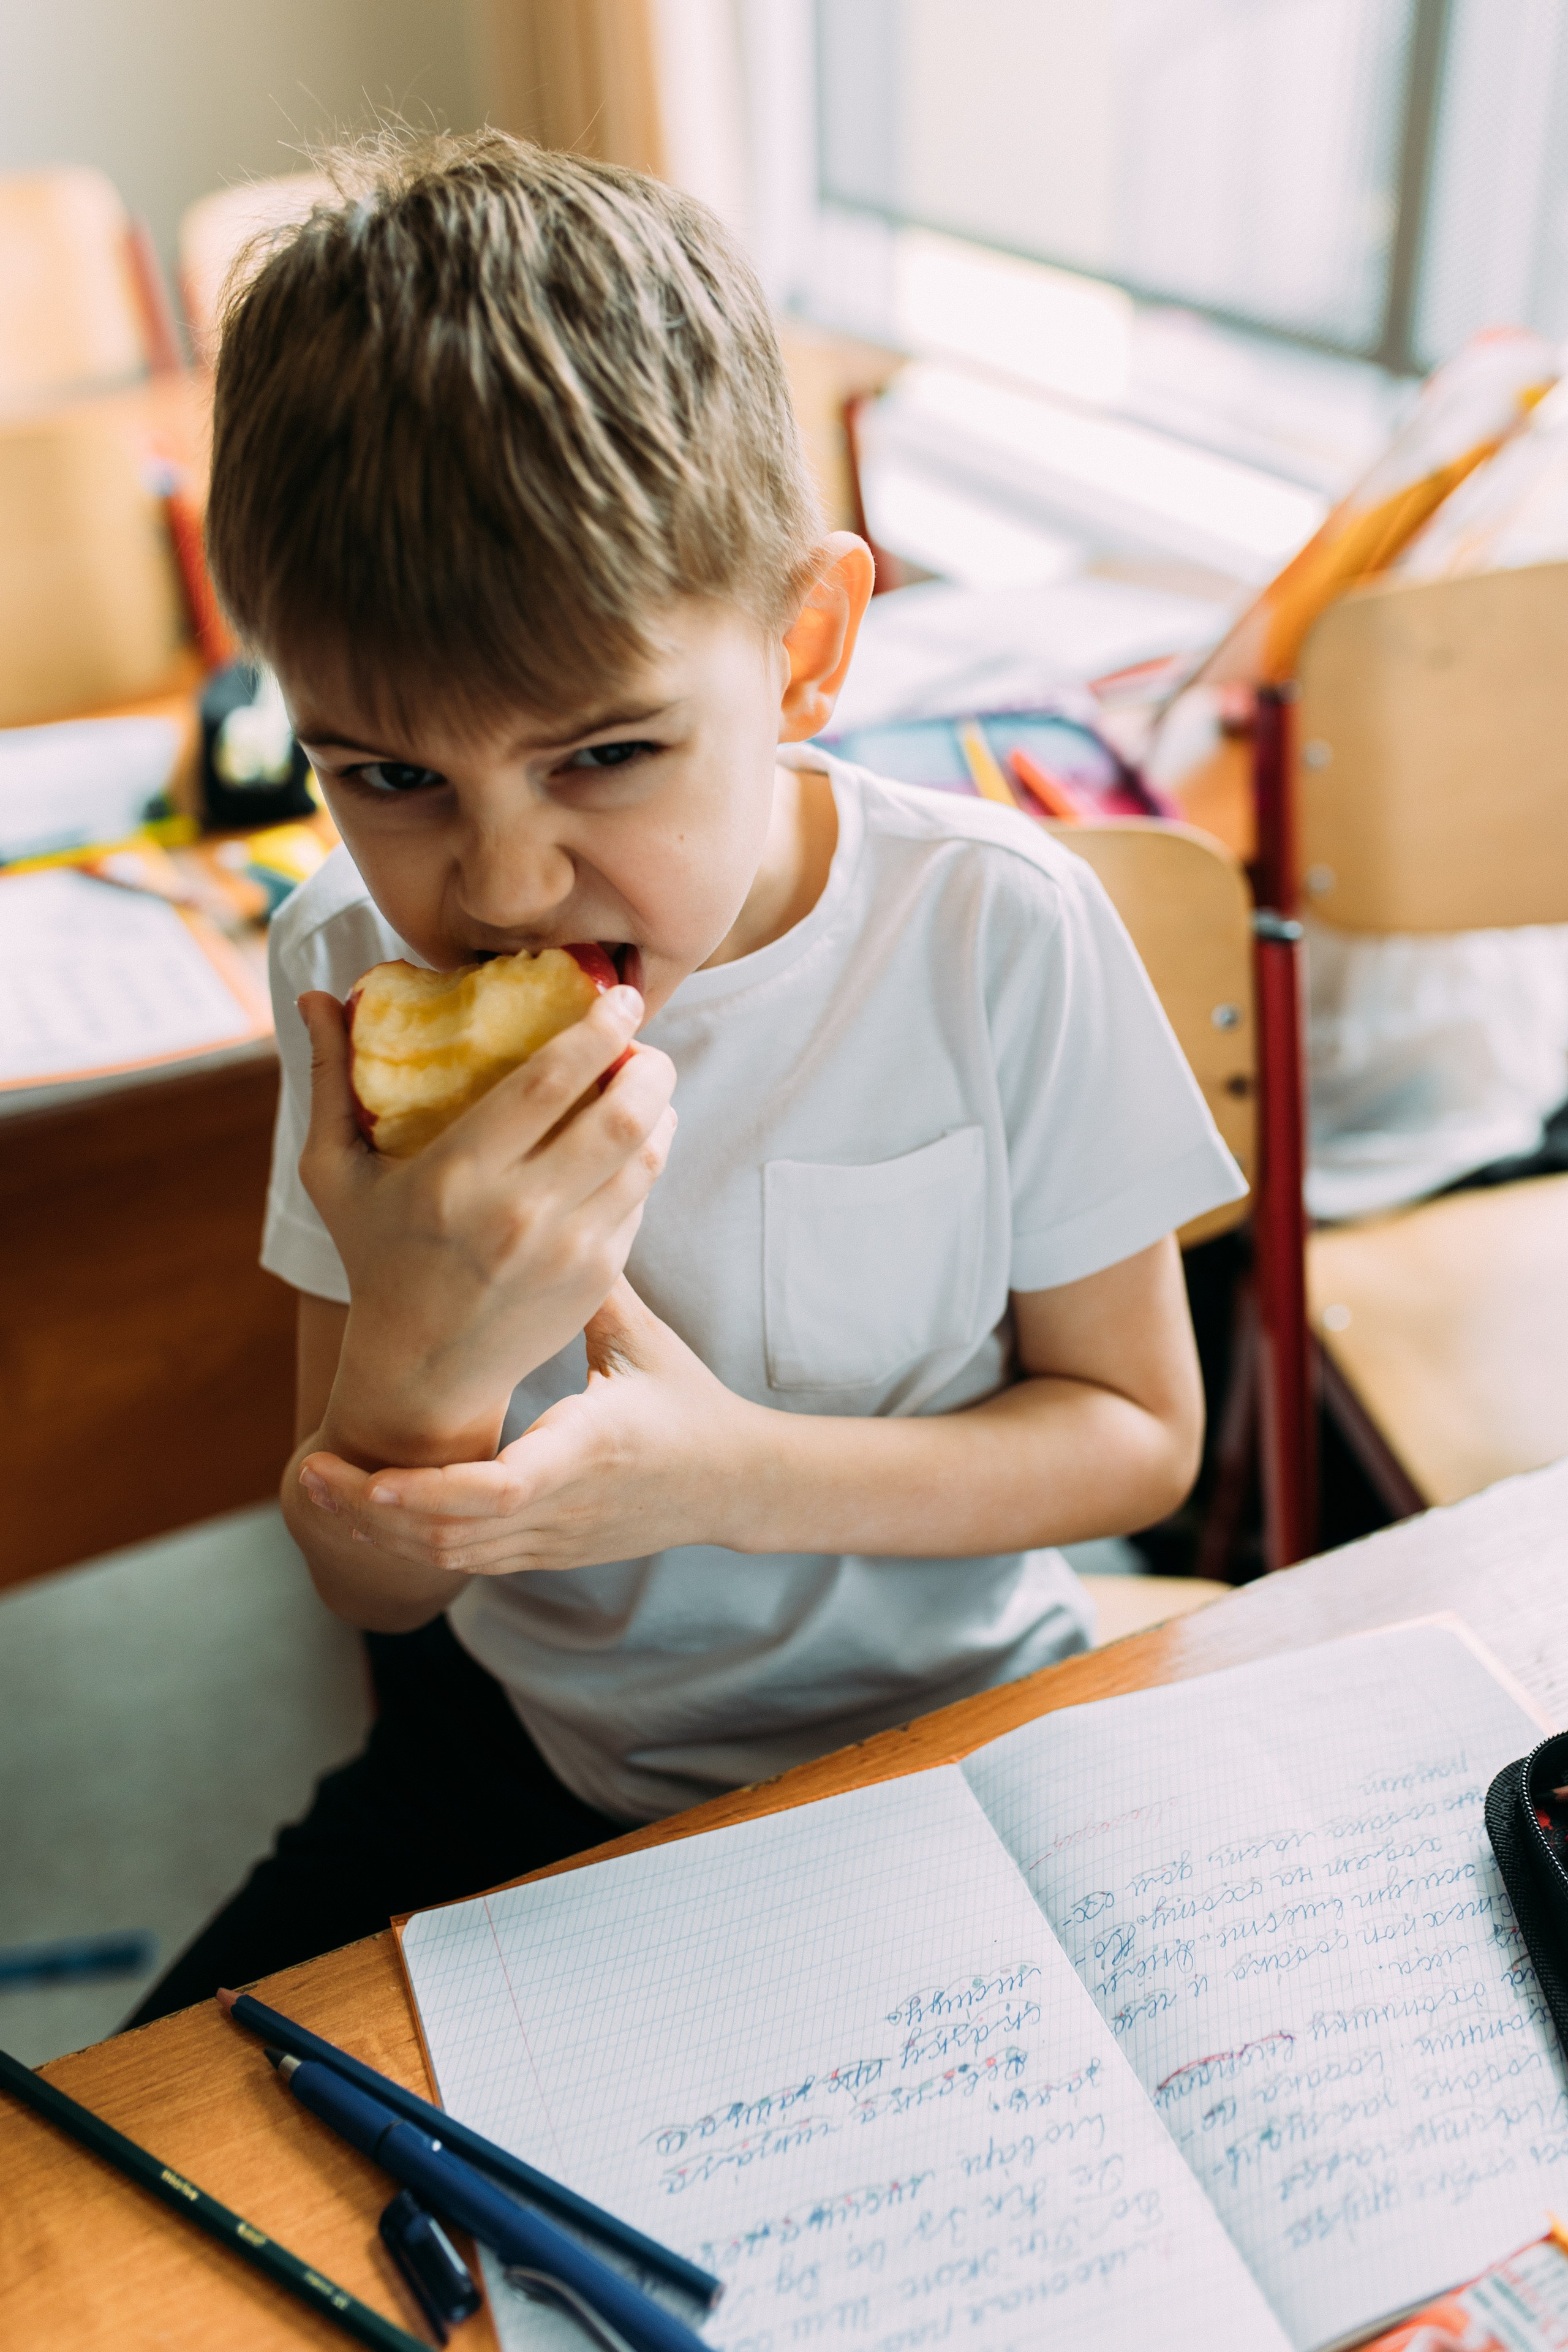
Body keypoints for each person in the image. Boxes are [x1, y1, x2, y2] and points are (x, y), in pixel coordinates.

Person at [129, 129, 1244, 2025]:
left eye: (607, 756)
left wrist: (730, 1481)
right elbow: (371, 1592)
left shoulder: (992, 932)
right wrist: (422, 1347)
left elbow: (1139, 1439)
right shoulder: (343, 965)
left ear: (807, 648)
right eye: (391, 776)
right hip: (543, 1763)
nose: (493, 887)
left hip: (963, 1726)